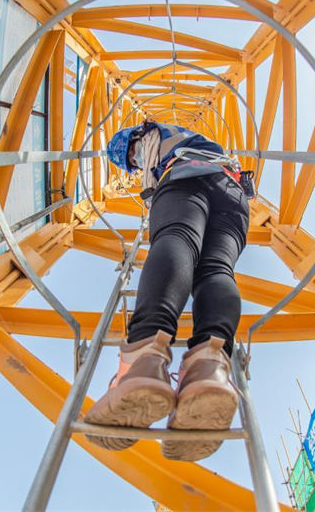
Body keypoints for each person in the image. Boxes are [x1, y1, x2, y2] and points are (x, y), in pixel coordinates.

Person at [84, 120, 252, 462]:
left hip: (185, 175)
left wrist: (151, 185)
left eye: (132, 157)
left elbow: (147, 158)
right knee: (218, 268)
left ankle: (144, 357)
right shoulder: (194, 138)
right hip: (233, 191)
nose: (135, 163)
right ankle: (211, 366)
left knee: (177, 238)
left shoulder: (152, 137)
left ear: (136, 140)